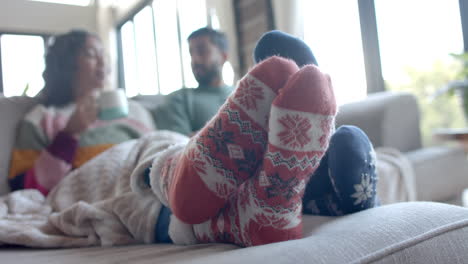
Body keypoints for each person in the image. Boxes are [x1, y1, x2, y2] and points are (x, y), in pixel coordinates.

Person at [8, 30, 153, 195]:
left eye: (103, 54)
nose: (103, 61)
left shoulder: (136, 110)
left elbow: (158, 155)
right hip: (99, 197)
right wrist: (69, 135)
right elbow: (23, 188)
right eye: (91, 54)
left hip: (146, 190)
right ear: (66, 64)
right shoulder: (42, 118)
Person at [153, 27, 233, 136]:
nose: (194, 60)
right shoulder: (179, 99)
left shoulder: (243, 93)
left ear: (223, 57)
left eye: (202, 51)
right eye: (191, 53)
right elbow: (176, 144)